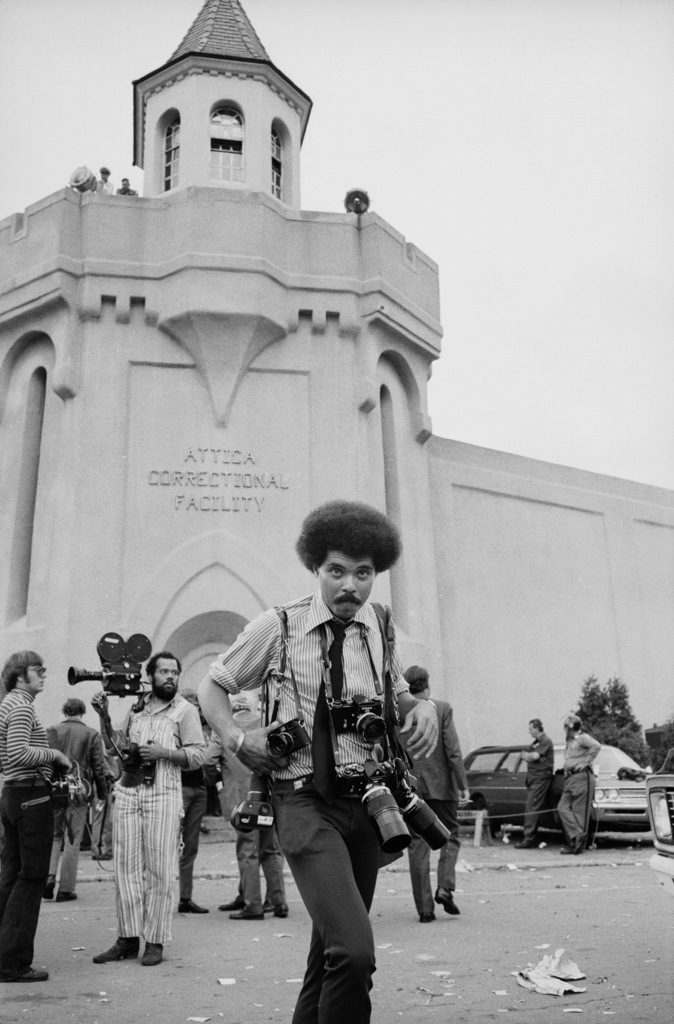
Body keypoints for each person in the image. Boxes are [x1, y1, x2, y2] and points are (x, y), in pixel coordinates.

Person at [199, 499, 438, 1024]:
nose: (349, 585)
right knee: (354, 953)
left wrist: (419, 710)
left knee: (328, 955)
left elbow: (395, 691)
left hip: (369, 806)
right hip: (304, 801)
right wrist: (239, 740)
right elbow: (212, 686)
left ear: (376, 573)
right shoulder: (278, 626)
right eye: (336, 571)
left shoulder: (379, 625)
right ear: (315, 567)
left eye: (363, 572)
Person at [91, 651, 205, 967]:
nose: (170, 676)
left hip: (164, 795)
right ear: (151, 676)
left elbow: (198, 755)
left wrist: (164, 752)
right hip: (130, 791)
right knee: (125, 869)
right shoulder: (137, 708)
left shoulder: (185, 711)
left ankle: (154, 941)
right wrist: (103, 716)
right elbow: (115, 746)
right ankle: (127, 939)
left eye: (174, 672)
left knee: (160, 870)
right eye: (164, 671)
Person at [0, 652, 71, 983]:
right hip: (30, 797)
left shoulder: (6, 705)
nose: (43, 674)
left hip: (12, 795)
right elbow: (17, 752)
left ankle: (4, 953)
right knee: (32, 877)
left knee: (11, 873)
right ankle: (13, 963)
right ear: (18, 677)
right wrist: (54, 755)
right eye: (37, 670)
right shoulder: (22, 706)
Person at [402, 665, 469, 922]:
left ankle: (425, 910)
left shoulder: (400, 712)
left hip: (412, 790)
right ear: (427, 684)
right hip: (443, 788)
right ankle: (445, 887)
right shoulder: (441, 708)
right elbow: (453, 751)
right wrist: (462, 784)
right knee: (450, 835)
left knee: (417, 844)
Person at [214, 694, 288, 920]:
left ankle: (253, 904)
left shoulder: (226, 730)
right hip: (267, 796)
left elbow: (208, 760)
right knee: (271, 848)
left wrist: (219, 783)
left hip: (240, 799)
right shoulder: (265, 725)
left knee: (247, 850)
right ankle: (278, 901)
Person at [44, 698, 108, 901]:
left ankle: (49, 877)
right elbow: (99, 768)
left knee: (54, 836)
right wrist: (102, 793)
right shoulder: (92, 734)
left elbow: (45, 762)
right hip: (80, 791)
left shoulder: (51, 731)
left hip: (55, 790)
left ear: (65, 712)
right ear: (82, 712)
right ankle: (66, 888)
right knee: (72, 839)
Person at [177, 692, 218, 914]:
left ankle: (185, 897)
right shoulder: (176, 725)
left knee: (190, 846)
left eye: (197, 706)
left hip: (199, 789)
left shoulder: (204, 729)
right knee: (169, 844)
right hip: (179, 788)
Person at [557, 713, 600, 854]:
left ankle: (577, 845)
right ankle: (577, 834)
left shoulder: (582, 738)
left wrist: (585, 761)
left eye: (565, 727)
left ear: (570, 727)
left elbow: (596, 746)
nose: (564, 730)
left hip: (581, 777)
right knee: (562, 807)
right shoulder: (571, 741)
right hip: (570, 778)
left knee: (578, 812)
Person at [514, 718, 554, 850]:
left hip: (540, 779)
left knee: (531, 807)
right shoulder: (536, 742)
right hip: (533, 778)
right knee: (533, 807)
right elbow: (529, 753)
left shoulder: (545, 741)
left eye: (531, 729)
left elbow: (535, 756)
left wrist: (527, 756)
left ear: (537, 728)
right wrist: (527, 755)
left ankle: (528, 838)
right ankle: (532, 835)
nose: (529, 731)